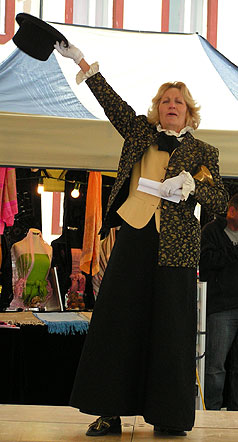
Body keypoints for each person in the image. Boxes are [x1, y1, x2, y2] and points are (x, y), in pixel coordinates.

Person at [54, 40, 228, 437]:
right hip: (135, 237)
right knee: (118, 325)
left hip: (177, 249)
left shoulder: (205, 152)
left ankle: (168, 416)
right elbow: (110, 101)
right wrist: (81, 61)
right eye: (166, 99)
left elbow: (218, 200)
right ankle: (109, 412)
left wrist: (193, 187)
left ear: (189, 112)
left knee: (170, 330)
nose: (171, 105)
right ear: (157, 108)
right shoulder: (138, 134)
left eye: (178, 101)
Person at [200, 193, 238, 410]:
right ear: (231, 210)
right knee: (215, 366)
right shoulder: (211, 231)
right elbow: (204, 261)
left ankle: (235, 411)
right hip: (220, 307)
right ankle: (212, 410)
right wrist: (232, 253)